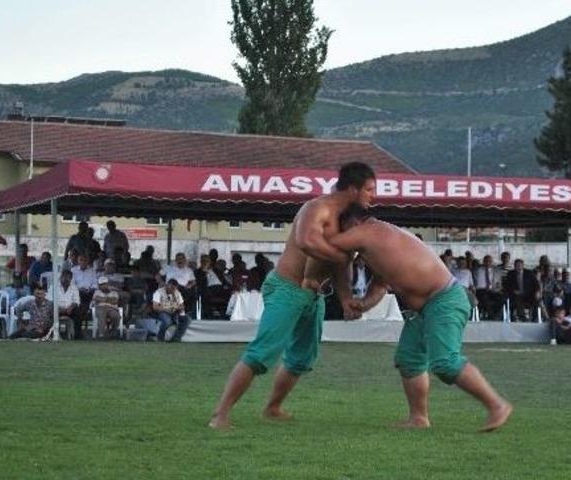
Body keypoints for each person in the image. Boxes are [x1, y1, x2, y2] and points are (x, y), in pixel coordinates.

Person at [209, 162, 376, 431]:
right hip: (287, 288)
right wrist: (342, 255)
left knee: (302, 357)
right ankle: (220, 414)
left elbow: (340, 267)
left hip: (313, 296)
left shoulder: (348, 221)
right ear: (353, 189)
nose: (372, 195)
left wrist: (346, 299)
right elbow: (307, 242)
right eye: (369, 189)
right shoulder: (317, 208)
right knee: (262, 353)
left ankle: (273, 408)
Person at [327, 205, 513, 432]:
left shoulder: (369, 230)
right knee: (409, 359)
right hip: (424, 308)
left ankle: (497, 405)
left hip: (444, 299)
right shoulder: (377, 245)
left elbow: (328, 245)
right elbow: (380, 284)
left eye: (344, 229)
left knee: (445, 362)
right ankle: (418, 418)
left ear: (353, 224)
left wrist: (309, 224)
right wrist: (363, 304)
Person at [48, 270, 80, 340]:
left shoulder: (74, 287)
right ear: (61, 277)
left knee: (77, 311)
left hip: (69, 310)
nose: (66, 280)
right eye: (64, 277)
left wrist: (71, 307)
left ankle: (76, 335)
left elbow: (76, 301)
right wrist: (58, 309)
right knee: (50, 310)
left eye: (68, 278)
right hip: (57, 309)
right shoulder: (53, 287)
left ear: (71, 279)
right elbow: (49, 301)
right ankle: (52, 333)